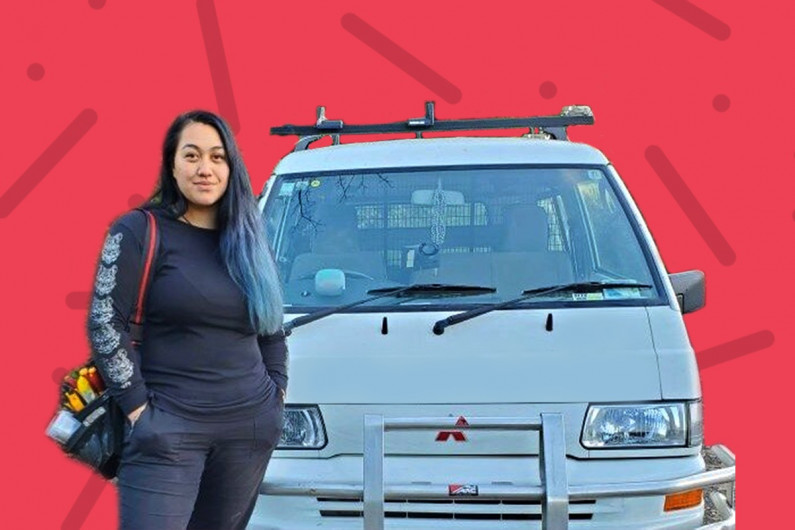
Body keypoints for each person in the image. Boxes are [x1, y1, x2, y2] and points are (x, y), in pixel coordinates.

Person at [86, 110, 287, 529]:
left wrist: (276, 396)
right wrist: (139, 409)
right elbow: (106, 322)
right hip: (168, 426)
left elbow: (270, 326)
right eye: (191, 156)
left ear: (231, 166)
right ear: (172, 165)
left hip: (248, 429)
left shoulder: (250, 238)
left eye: (217, 157)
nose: (205, 169)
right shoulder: (139, 231)